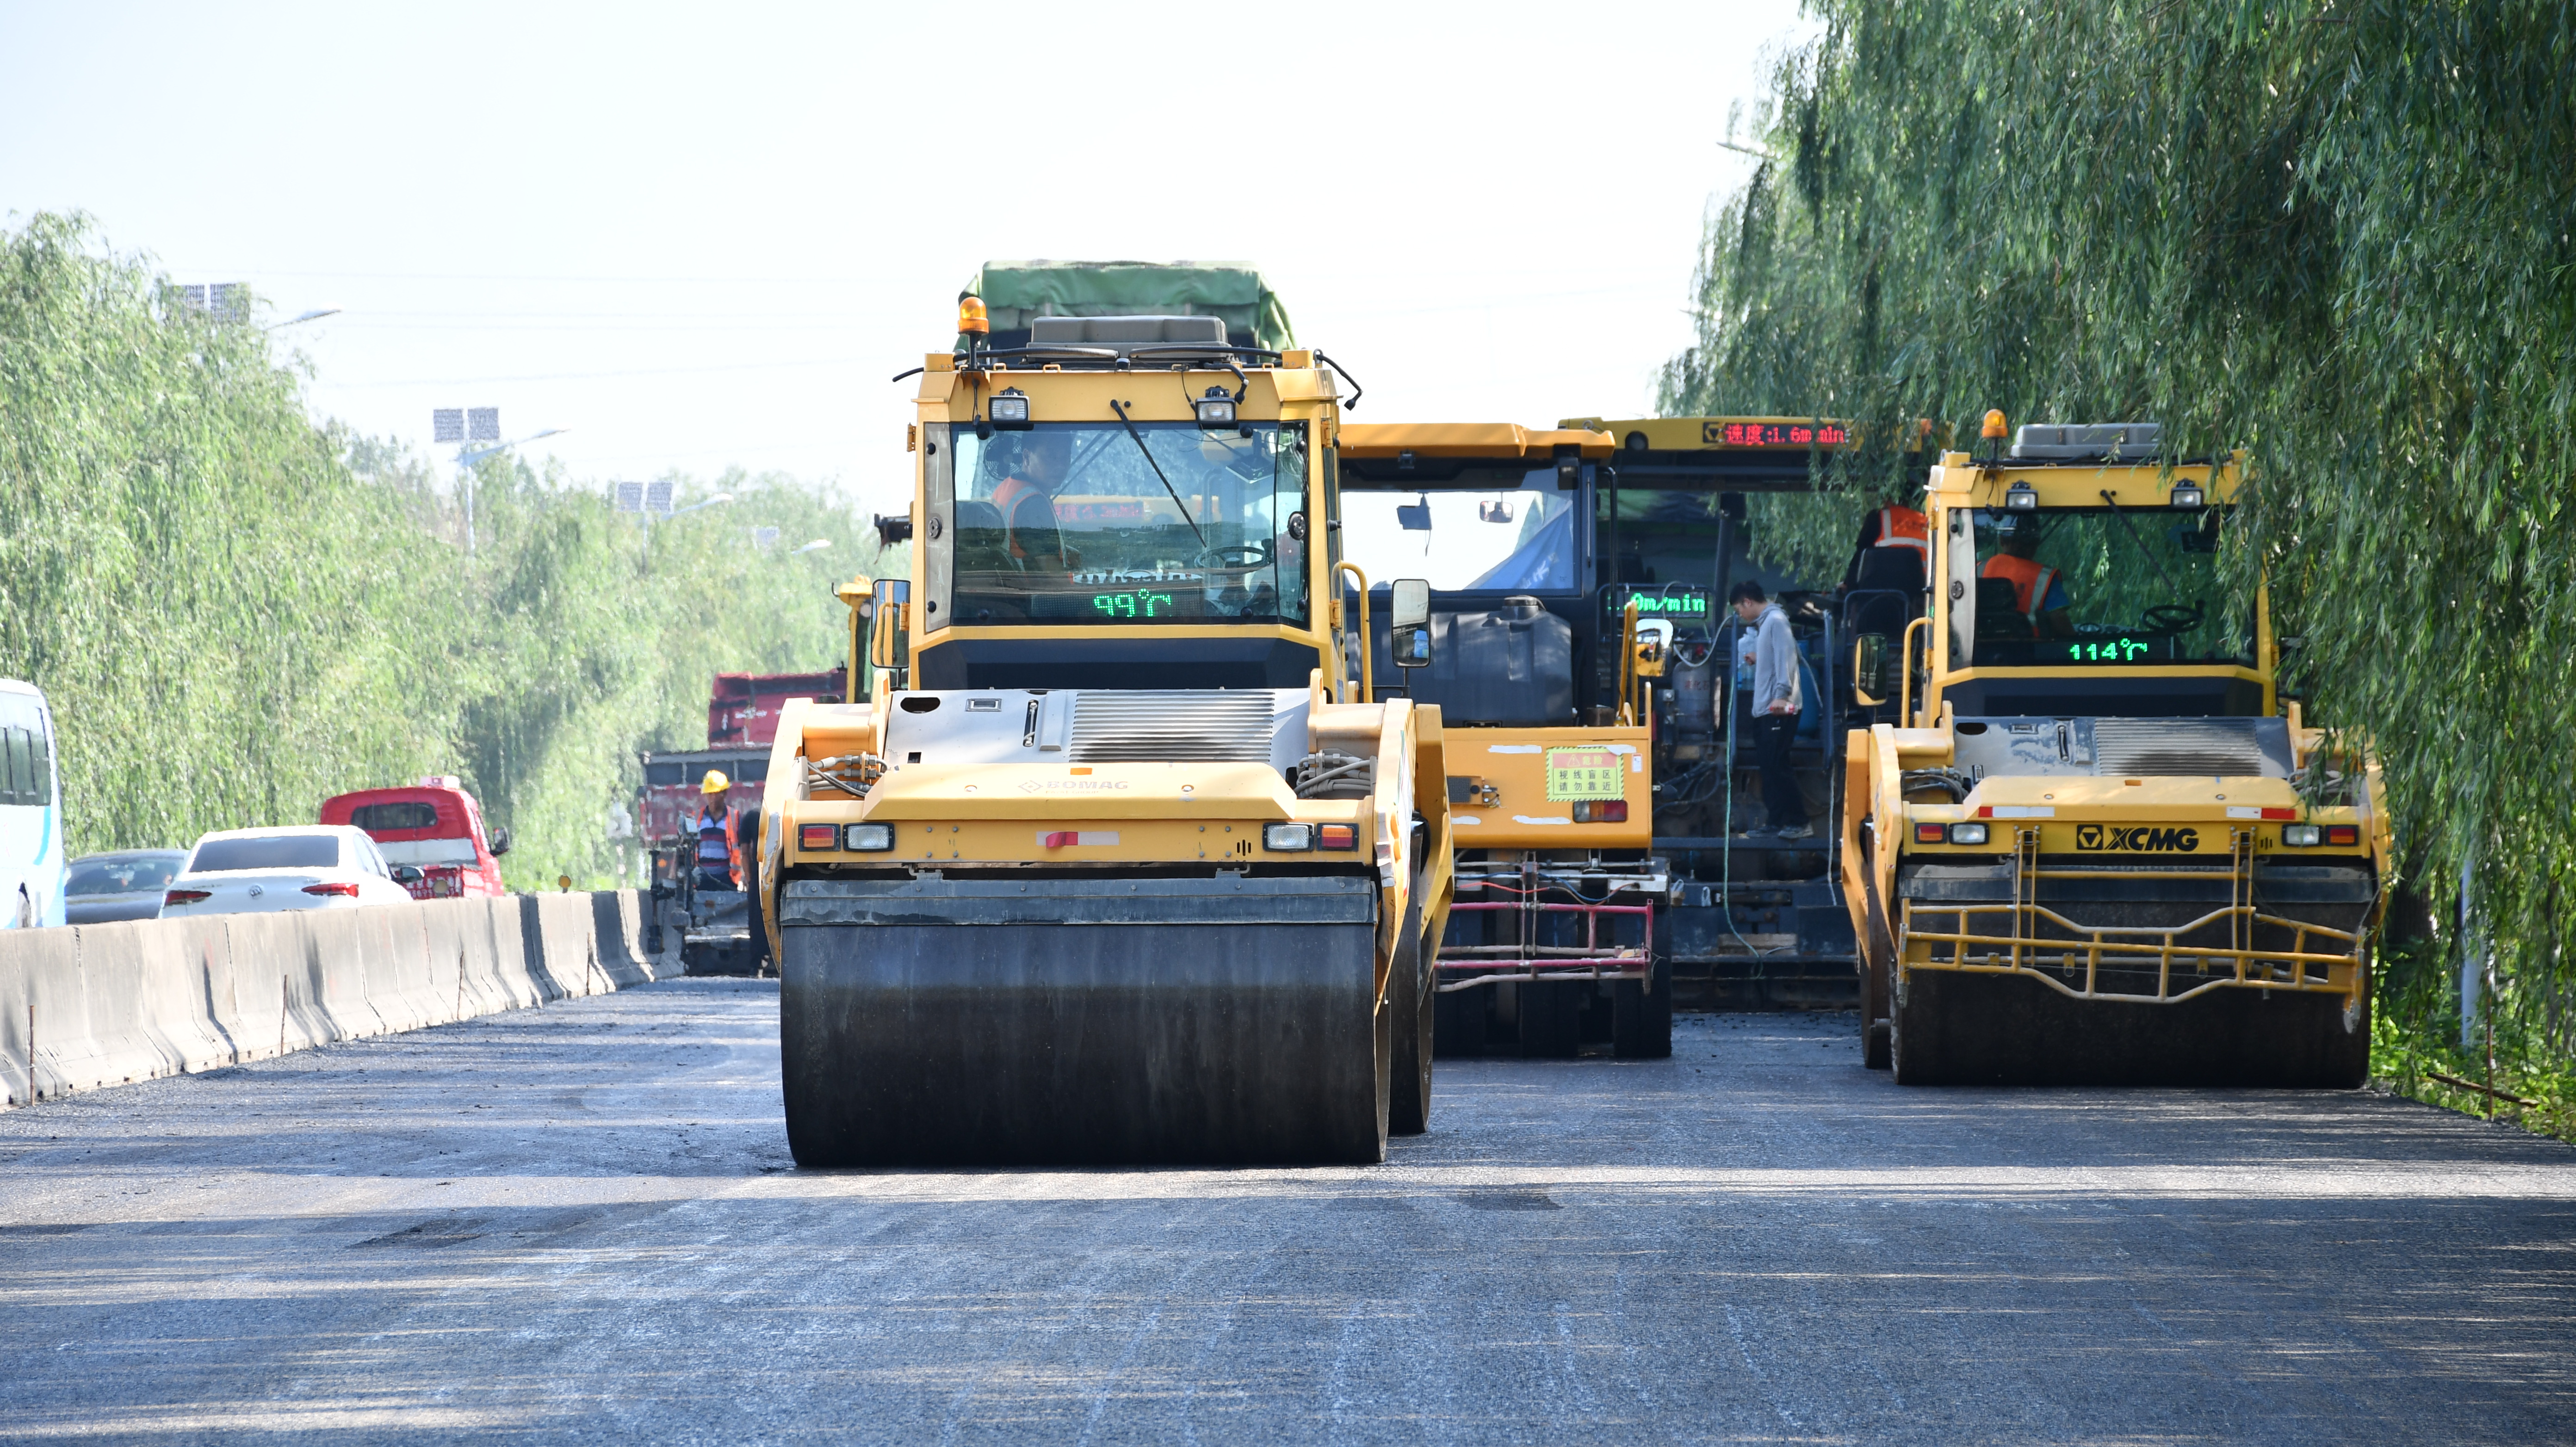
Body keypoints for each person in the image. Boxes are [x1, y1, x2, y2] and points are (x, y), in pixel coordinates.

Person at [1729, 581, 1808, 840]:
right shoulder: (1767, 624)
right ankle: (1776, 821)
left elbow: (1787, 659)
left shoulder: (1775, 621)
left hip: (1778, 709)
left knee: (1778, 766)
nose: (1741, 615)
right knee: (1769, 768)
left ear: (1748, 602)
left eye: (1739, 609)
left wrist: (1781, 696)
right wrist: (1759, 656)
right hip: (1766, 709)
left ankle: (1799, 821)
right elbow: (1778, 655)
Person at [989, 432, 1078, 572]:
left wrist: (1062, 551)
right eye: (1051, 456)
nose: (1060, 465)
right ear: (1026, 457)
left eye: (1065, 457)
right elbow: (1051, 574)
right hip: (1029, 586)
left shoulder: (1008, 486)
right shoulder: (1034, 504)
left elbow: (1021, 543)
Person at [1979, 521, 2075, 637]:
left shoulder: (1978, 570)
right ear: (2035, 545)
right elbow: (2060, 620)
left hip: (1978, 647)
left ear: (2001, 541)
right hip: (2030, 647)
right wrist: (2076, 640)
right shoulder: (2044, 577)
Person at [693, 770, 737, 892]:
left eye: (716, 794)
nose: (712, 798)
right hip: (702, 879)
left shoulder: (734, 817)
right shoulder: (697, 817)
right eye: (709, 794)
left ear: (724, 794)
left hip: (727, 879)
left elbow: (744, 850)